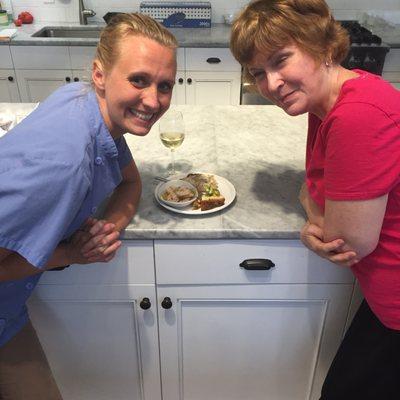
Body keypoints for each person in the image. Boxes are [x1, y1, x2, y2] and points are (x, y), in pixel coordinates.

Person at [0, 13, 178, 400]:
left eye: (165, 85)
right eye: (139, 80)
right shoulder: (65, 165)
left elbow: (131, 182)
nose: (153, 100)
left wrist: (109, 227)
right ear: (100, 74)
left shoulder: (84, 104)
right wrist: (71, 254)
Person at [230, 0, 400, 399]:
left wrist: (310, 207)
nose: (271, 84)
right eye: (258, 72)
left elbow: (347, 242)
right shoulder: (329, 99)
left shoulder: (356, 115)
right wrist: (313, 199)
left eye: (281, 60)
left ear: (322, 47)